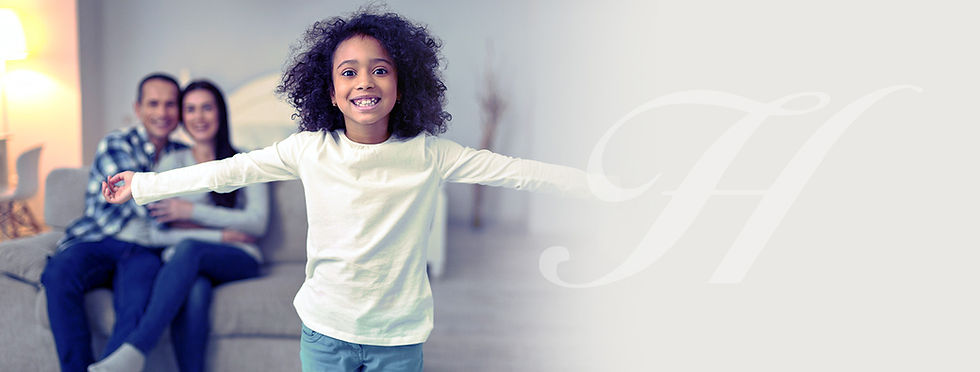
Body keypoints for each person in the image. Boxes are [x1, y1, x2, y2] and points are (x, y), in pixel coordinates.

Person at [102, 10, 589, 372]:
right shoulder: (309, 149)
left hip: (398, 339)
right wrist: (144, 184)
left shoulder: (430, 154)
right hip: (324, 333)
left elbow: (516, 171)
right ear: (331, 93)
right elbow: (227, 172)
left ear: (402, 84)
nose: (365, 82)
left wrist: (595, 185)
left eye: (380, 69)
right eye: (348, 72)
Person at [88, 80, 269, 372]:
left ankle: (135, 350)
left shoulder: (246, 160)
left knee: (188, 248)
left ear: (220, 113)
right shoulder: (172, 163)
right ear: (183, 117)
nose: (199, 117)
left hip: (240, 258)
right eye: (191, 109)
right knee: (195, 289)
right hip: (191, 263)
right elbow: (157, 231)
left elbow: (256, 224)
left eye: (207, 108)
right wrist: (223, 234)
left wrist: (189, 212)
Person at [40, 73, 186, 372]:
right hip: (98, 239)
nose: (162, 113)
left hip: (145, 250)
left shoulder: (184, 155)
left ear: (179, 111)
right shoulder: (116, 143)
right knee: (57, 274)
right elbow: (139, 200)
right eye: (153, 103)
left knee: (136, 304)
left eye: (170, 104)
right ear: (137, 108)